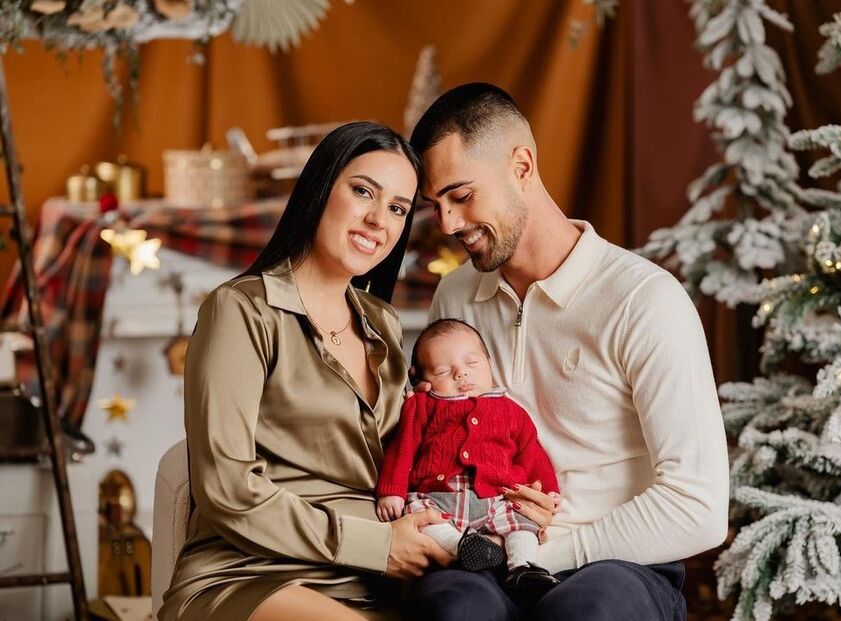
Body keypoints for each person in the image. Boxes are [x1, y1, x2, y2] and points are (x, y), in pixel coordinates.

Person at [405, 83, 730, 620]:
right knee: (451, 610)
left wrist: (543, 556)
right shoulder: (456, 295)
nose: (448, 226)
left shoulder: (644, 300)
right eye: (435, 205)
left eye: (461, 196)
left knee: (585, 612)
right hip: (479, 551)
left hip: (618, 565)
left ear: (523, 166)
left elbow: (698, 508)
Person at [158, 122, 453, 621]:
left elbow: (409, 458)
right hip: (254, 573)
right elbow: (226, 488)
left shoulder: (382, 323)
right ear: (321, 188)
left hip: (376, 580)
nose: (378, 219)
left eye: (398, 208)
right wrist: (374, 544)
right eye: (363, 191)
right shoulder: (241, 310)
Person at [376, 318, 561, 587]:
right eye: (442, 371)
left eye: (472, 364)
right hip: (439, 497)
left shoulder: (510, 410)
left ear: (489, 363)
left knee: (521, 522)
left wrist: (548, 490)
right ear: (422, 379)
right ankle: (461, 546)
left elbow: (530, 452)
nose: (461, 374)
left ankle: (524, 568)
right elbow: (403, 448)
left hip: (496, 496)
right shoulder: (423, 406)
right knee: (417, 512)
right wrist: (391, 490)